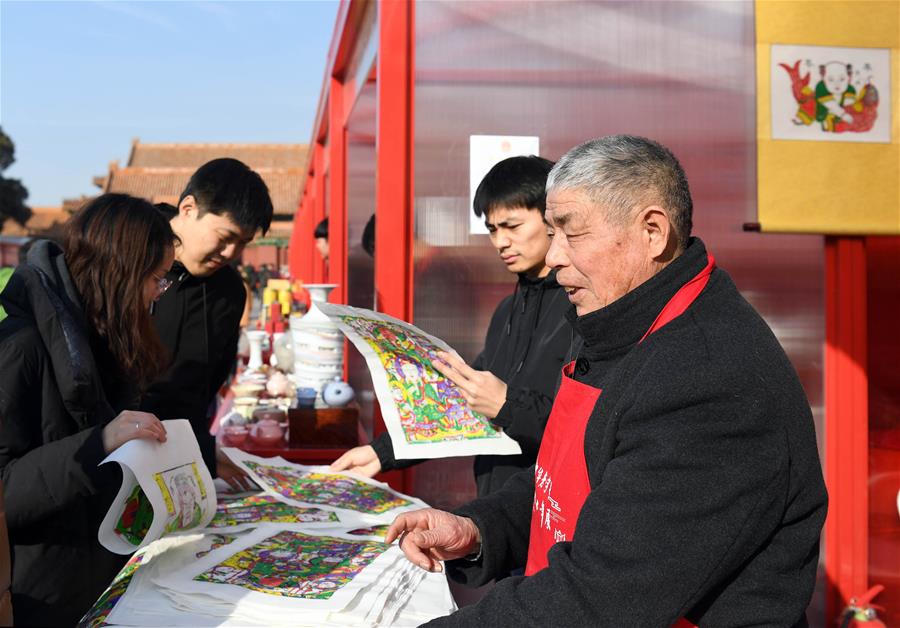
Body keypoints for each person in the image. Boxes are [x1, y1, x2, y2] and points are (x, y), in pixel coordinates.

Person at [386, 136, 828, 625]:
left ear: (653, 232)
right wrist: (479, 528)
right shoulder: (618, 317)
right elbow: (574, 474)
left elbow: (601, 596)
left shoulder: (707, 381)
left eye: (571, 234)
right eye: (551, 232)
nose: (553, 258)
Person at [332, 156, 573, 498]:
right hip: (495, 510)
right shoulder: (507, 311)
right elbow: (457, 402)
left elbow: (587, 430)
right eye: (492, 229)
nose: (500, 242)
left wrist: (507, 405)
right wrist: (381, 453)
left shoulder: (585, 309)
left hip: (552, 515)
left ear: (553, 217)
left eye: (512, 226)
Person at [0, 194, 174, 625]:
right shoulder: (20, 347)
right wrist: (99, 442)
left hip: (98, 577)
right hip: (39, 595)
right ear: (119, 273)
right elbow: (5, 491)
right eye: (157, 278)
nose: (159, 294)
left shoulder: (104, 337)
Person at [141, 159, 273, 489]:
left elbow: (203, 390)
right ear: (188, 208)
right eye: (225, 236)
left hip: (177, 464)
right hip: (109, 456)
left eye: (242, 243)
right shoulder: (129, 262)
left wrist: (203, 451)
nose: (230, 252)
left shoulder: (228, 292)